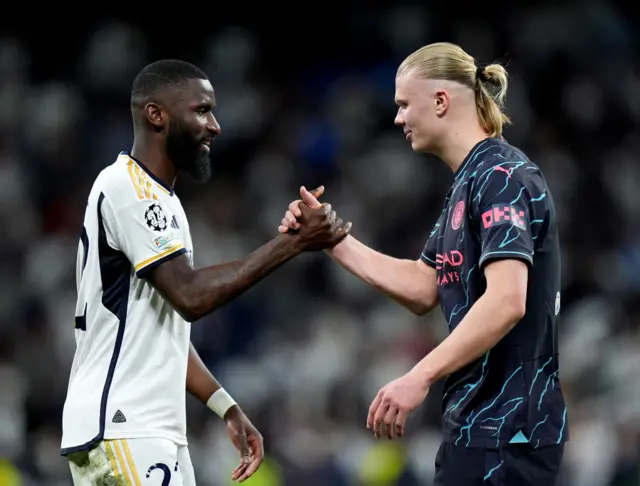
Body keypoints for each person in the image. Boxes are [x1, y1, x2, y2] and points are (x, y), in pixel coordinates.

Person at [279, 42, 567, 485]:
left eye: (402, 104)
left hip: (508, 432)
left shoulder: (501, 176)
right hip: (477, 428)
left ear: (439, 101)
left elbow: (508, 298)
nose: (397, 118)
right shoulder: (470, 181)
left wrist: (419, 375)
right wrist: (331, 239)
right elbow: (424, 285)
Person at [60, 59, 351, 486]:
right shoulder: (128, 188)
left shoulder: (161, 200)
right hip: (126, 425)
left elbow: (163, 330)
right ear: (155, 115)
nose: (214, 125)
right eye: (201, 110)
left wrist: (226, 407)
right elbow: (191, 296)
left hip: (141, 428)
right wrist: (293, 243)